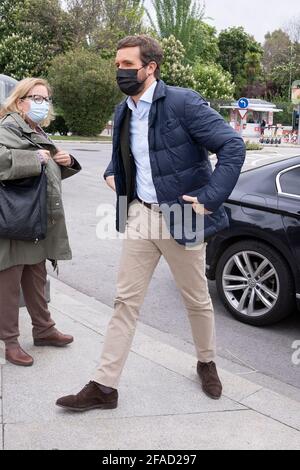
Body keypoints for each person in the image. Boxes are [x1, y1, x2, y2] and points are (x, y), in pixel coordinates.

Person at [56, 35, 246, 412]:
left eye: (127, 65)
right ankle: (104, 387)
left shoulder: (183, 102)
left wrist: (209, 199)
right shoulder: (122, 110)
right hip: (142, 214)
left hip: (182, 216)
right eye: (117, 64)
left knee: (196, 299)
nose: (120, 71)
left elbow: (232, 146)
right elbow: (123, 158)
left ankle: (206, 362)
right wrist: (113, 173)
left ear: (150, 67)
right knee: (125, 301)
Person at [0, 78, 81, 366]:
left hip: (35, 218)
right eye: (36, 97)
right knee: (8, 283)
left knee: (36, 278)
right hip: (14, 219)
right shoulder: (8, 127)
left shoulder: (35, 129)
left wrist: (65, 160)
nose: (41, 103)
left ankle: (44, 329)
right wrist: (36, 158)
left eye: (45, 99)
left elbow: (47, 170)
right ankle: (10, 341)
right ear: (20, 100)